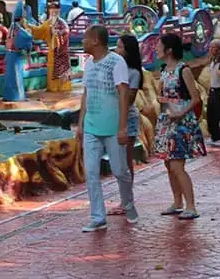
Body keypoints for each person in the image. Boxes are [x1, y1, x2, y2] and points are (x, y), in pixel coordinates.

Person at [76, 25, 137, 231]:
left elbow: (123, 94)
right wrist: (81, 123)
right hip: (92, 127)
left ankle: (128, 203)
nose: (82, 42)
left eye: (85, 38)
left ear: (95, 41)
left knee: (120, 171)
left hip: (112, 127)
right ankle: (98, 217)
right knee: (91, 172)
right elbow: (86, 94)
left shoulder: (116, 62)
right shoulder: (89, 65)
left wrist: (122, 128)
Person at [153, 33, 206, 220]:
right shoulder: (164, 70)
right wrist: (162, 101)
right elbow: (163, 95)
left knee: (177, 165)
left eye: (159, 45)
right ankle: (177, 201)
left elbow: (195, 97)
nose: (156, 48)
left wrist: (180, 112)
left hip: (180, 123)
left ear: (169, 49)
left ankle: (191, 205)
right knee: (169, 164)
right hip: (167, 120)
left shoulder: (183, 70)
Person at [107, 34, 144, 216]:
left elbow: (129, 99)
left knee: (125, 159)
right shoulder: (114, 68)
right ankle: (125, 198)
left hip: (126, 118)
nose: (116, 50)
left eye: (120, 47)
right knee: (118, 158)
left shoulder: (133, 73)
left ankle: (127, 199)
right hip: (113, 117)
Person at [205, 39, 220, 147]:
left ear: (219, 49)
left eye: (213, 47)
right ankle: (215, 137)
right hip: (213, 90)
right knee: (211, 114)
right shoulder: (212, 60)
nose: (210, 49)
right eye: (210, 47)